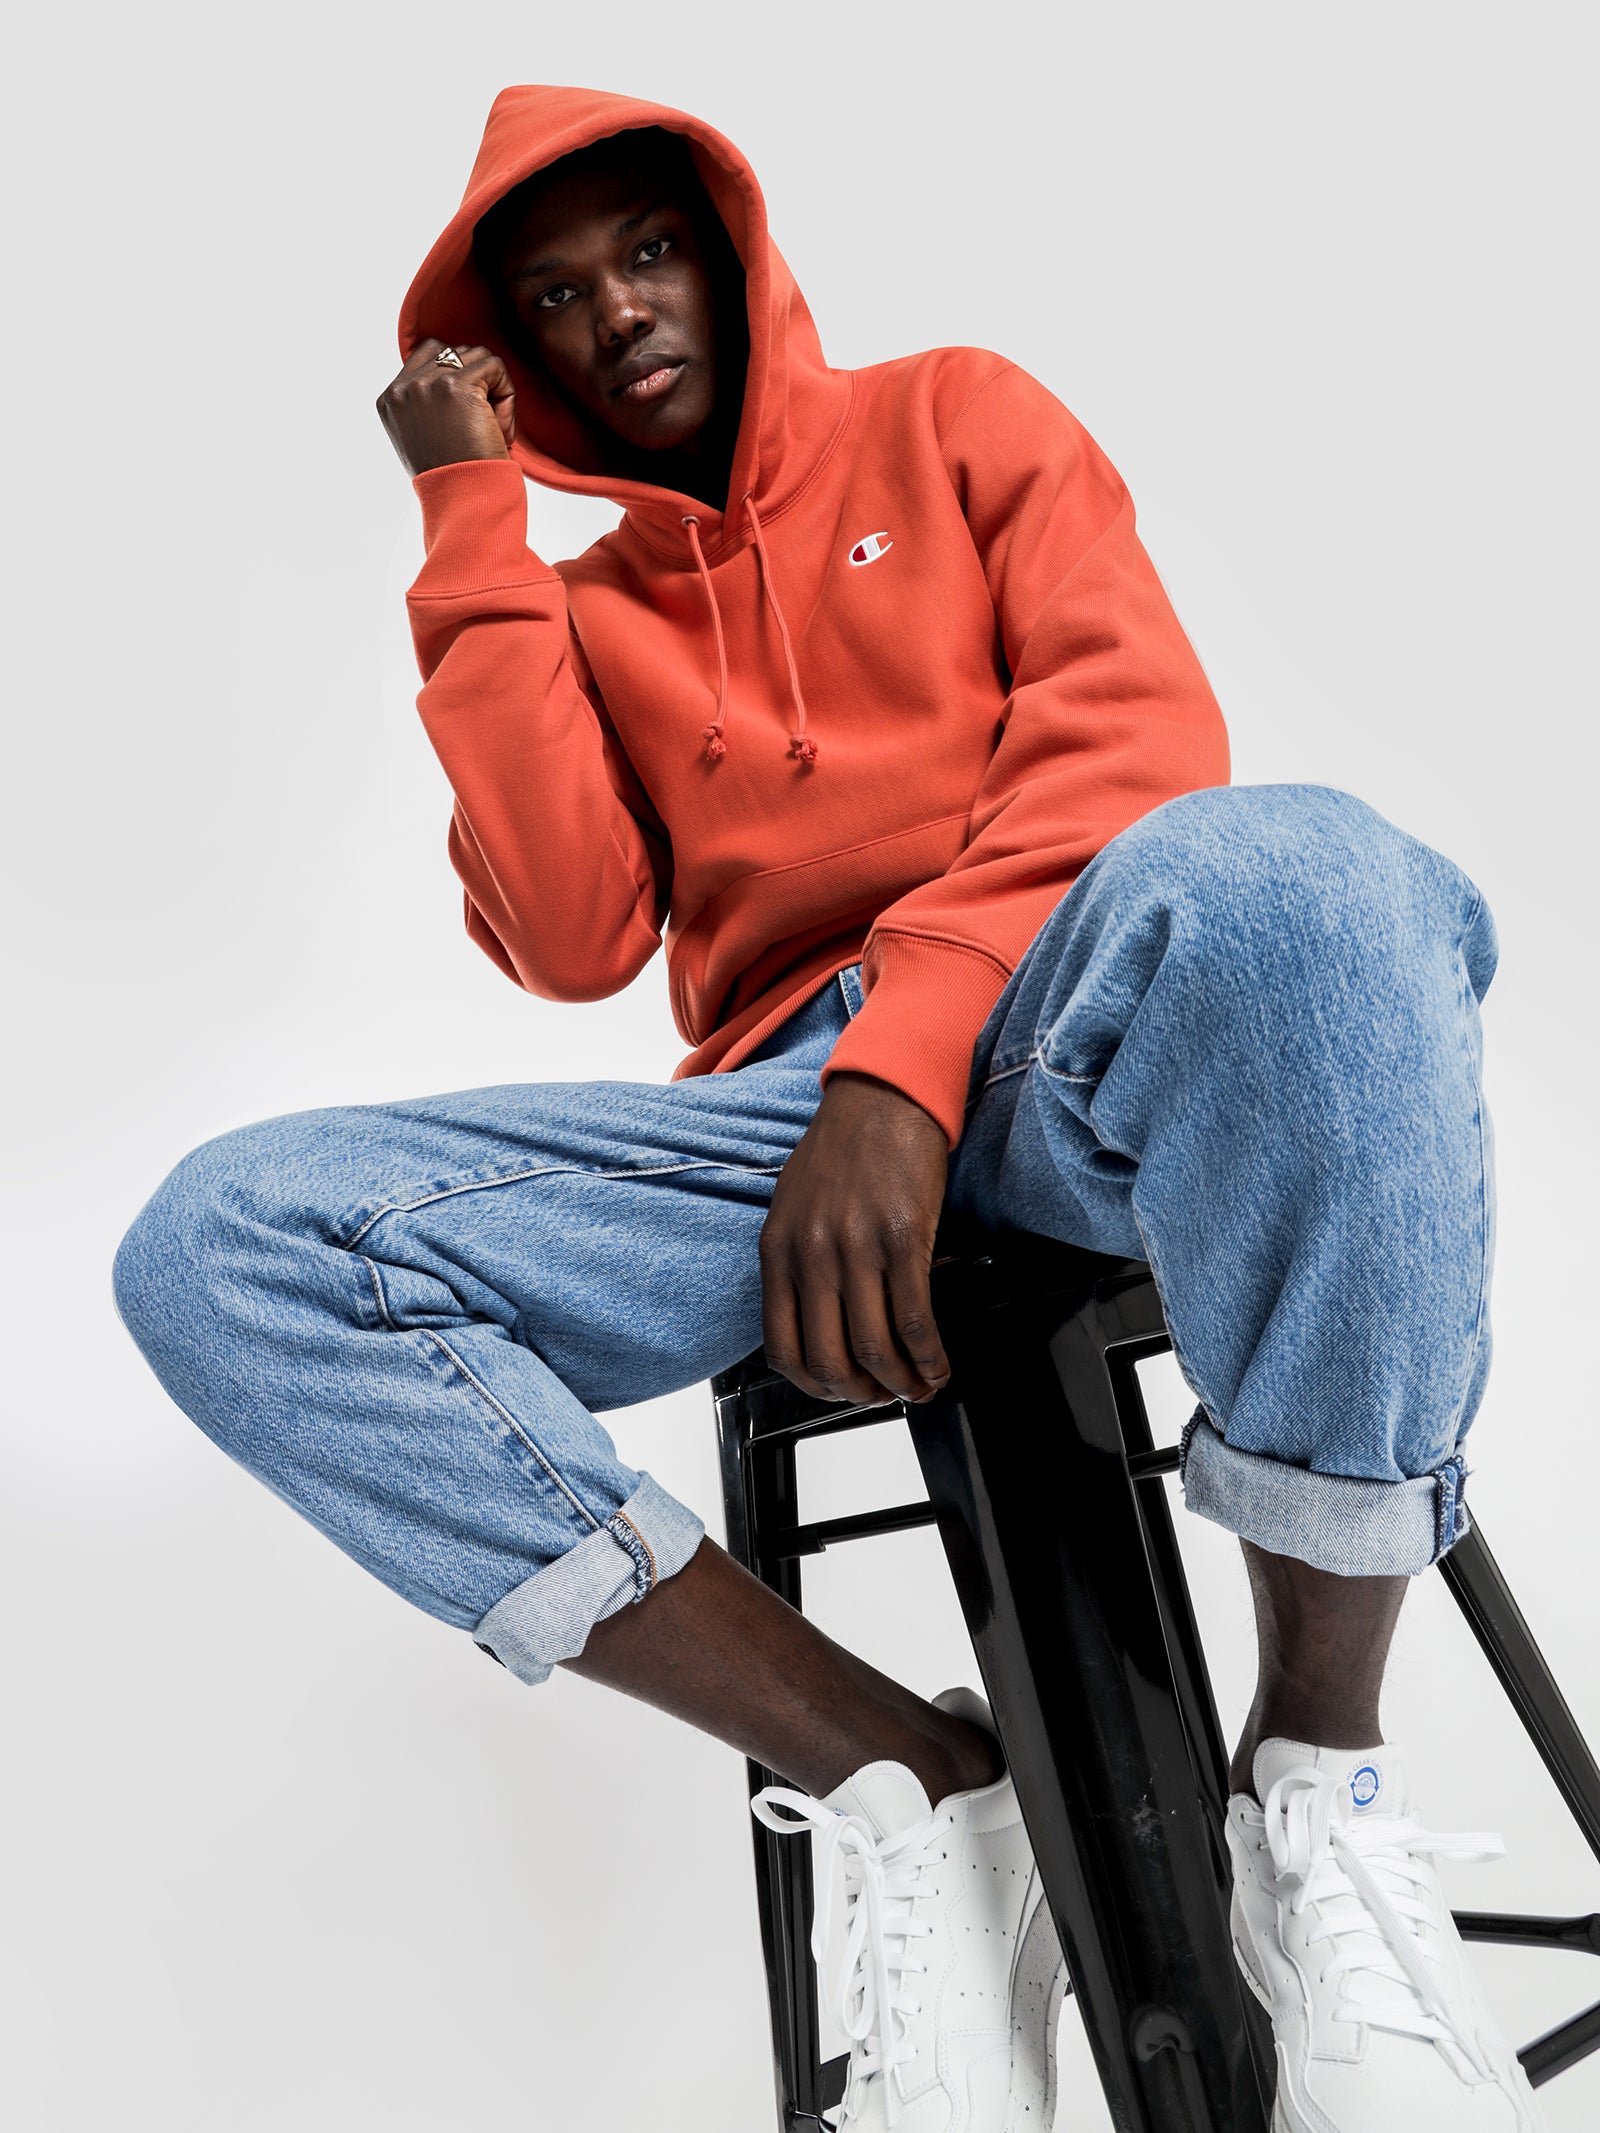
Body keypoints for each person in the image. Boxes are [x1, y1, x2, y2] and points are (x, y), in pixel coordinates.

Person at [112, 83, 1547, 2133]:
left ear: (728, 250)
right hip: (780, 1142)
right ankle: (910, 1774)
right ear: (518, 354)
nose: (615, 310)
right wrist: (471, 530)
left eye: (646, 252)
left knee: (1312, 876)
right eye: (556, 296)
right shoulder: (571, 608)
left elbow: (1134, 740)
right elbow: (570, 927)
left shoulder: (955, 414)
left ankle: (1313, 1787)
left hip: (1061, 1029)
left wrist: (911, 1051)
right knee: (219, 1244)